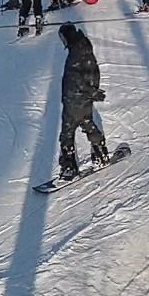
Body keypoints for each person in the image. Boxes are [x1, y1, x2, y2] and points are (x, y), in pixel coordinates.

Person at [57, 23, 108, 179]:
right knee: (87, 123)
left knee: (67, 132)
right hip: (85, 99)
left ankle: (69, 167)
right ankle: (101, 153)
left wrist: (87, 93)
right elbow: (94, 72)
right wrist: (92, 92)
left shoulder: (75, 54)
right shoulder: (84, 48)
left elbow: (75, 80)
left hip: (74, 99)